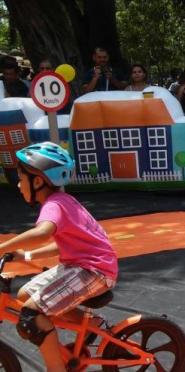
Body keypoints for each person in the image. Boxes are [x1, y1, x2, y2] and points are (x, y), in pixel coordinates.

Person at [0, 142, 117, 372]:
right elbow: (61, 245)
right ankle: (91, 325)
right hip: (85, 266)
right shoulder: (65, 202)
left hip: (92, 271)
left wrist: (3, 245)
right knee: (25, 295)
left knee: (31, 315)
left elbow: (42, 233)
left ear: (37, 181)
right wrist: (26, 255)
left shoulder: (54, 205)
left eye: (21, 178)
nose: (18, 184)